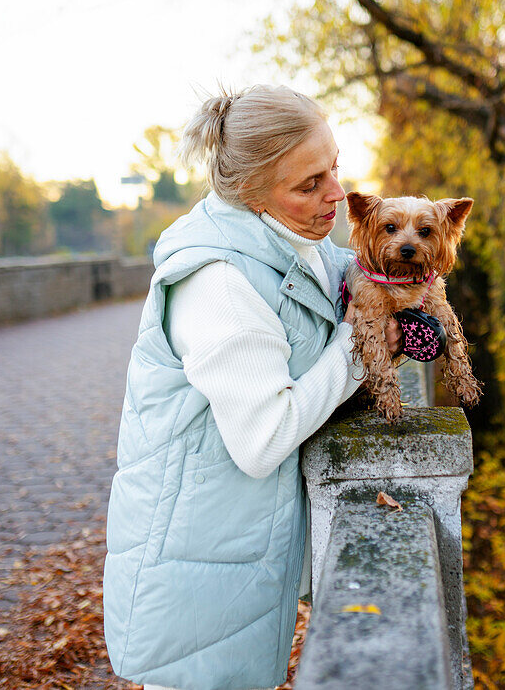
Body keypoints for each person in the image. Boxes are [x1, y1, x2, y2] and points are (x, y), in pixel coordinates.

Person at [102, 85, 397, 690]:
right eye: (309, 184)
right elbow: (264, 440)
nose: (336, 195)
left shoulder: (293, 244)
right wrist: (360, 349)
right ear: (251, 194)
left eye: (334, 167)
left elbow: (344, 279)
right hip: (194, 576)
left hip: (238, 553)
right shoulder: (219, 283)